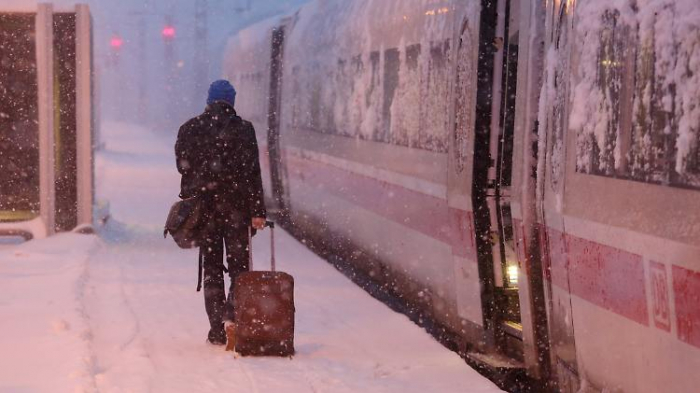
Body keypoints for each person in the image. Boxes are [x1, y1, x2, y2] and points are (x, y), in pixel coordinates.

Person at [175, 79, 266, 345]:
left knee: (212, 268)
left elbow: (183, 167)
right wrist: (257, 211)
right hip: (237, 211)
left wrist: (201, 183)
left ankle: (216, 329)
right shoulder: (245, 130)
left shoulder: (190, 128)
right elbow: (253, 175)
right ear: (231, 101)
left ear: (209, 99)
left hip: (205, 212)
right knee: (240, 268)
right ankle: (232, 316)